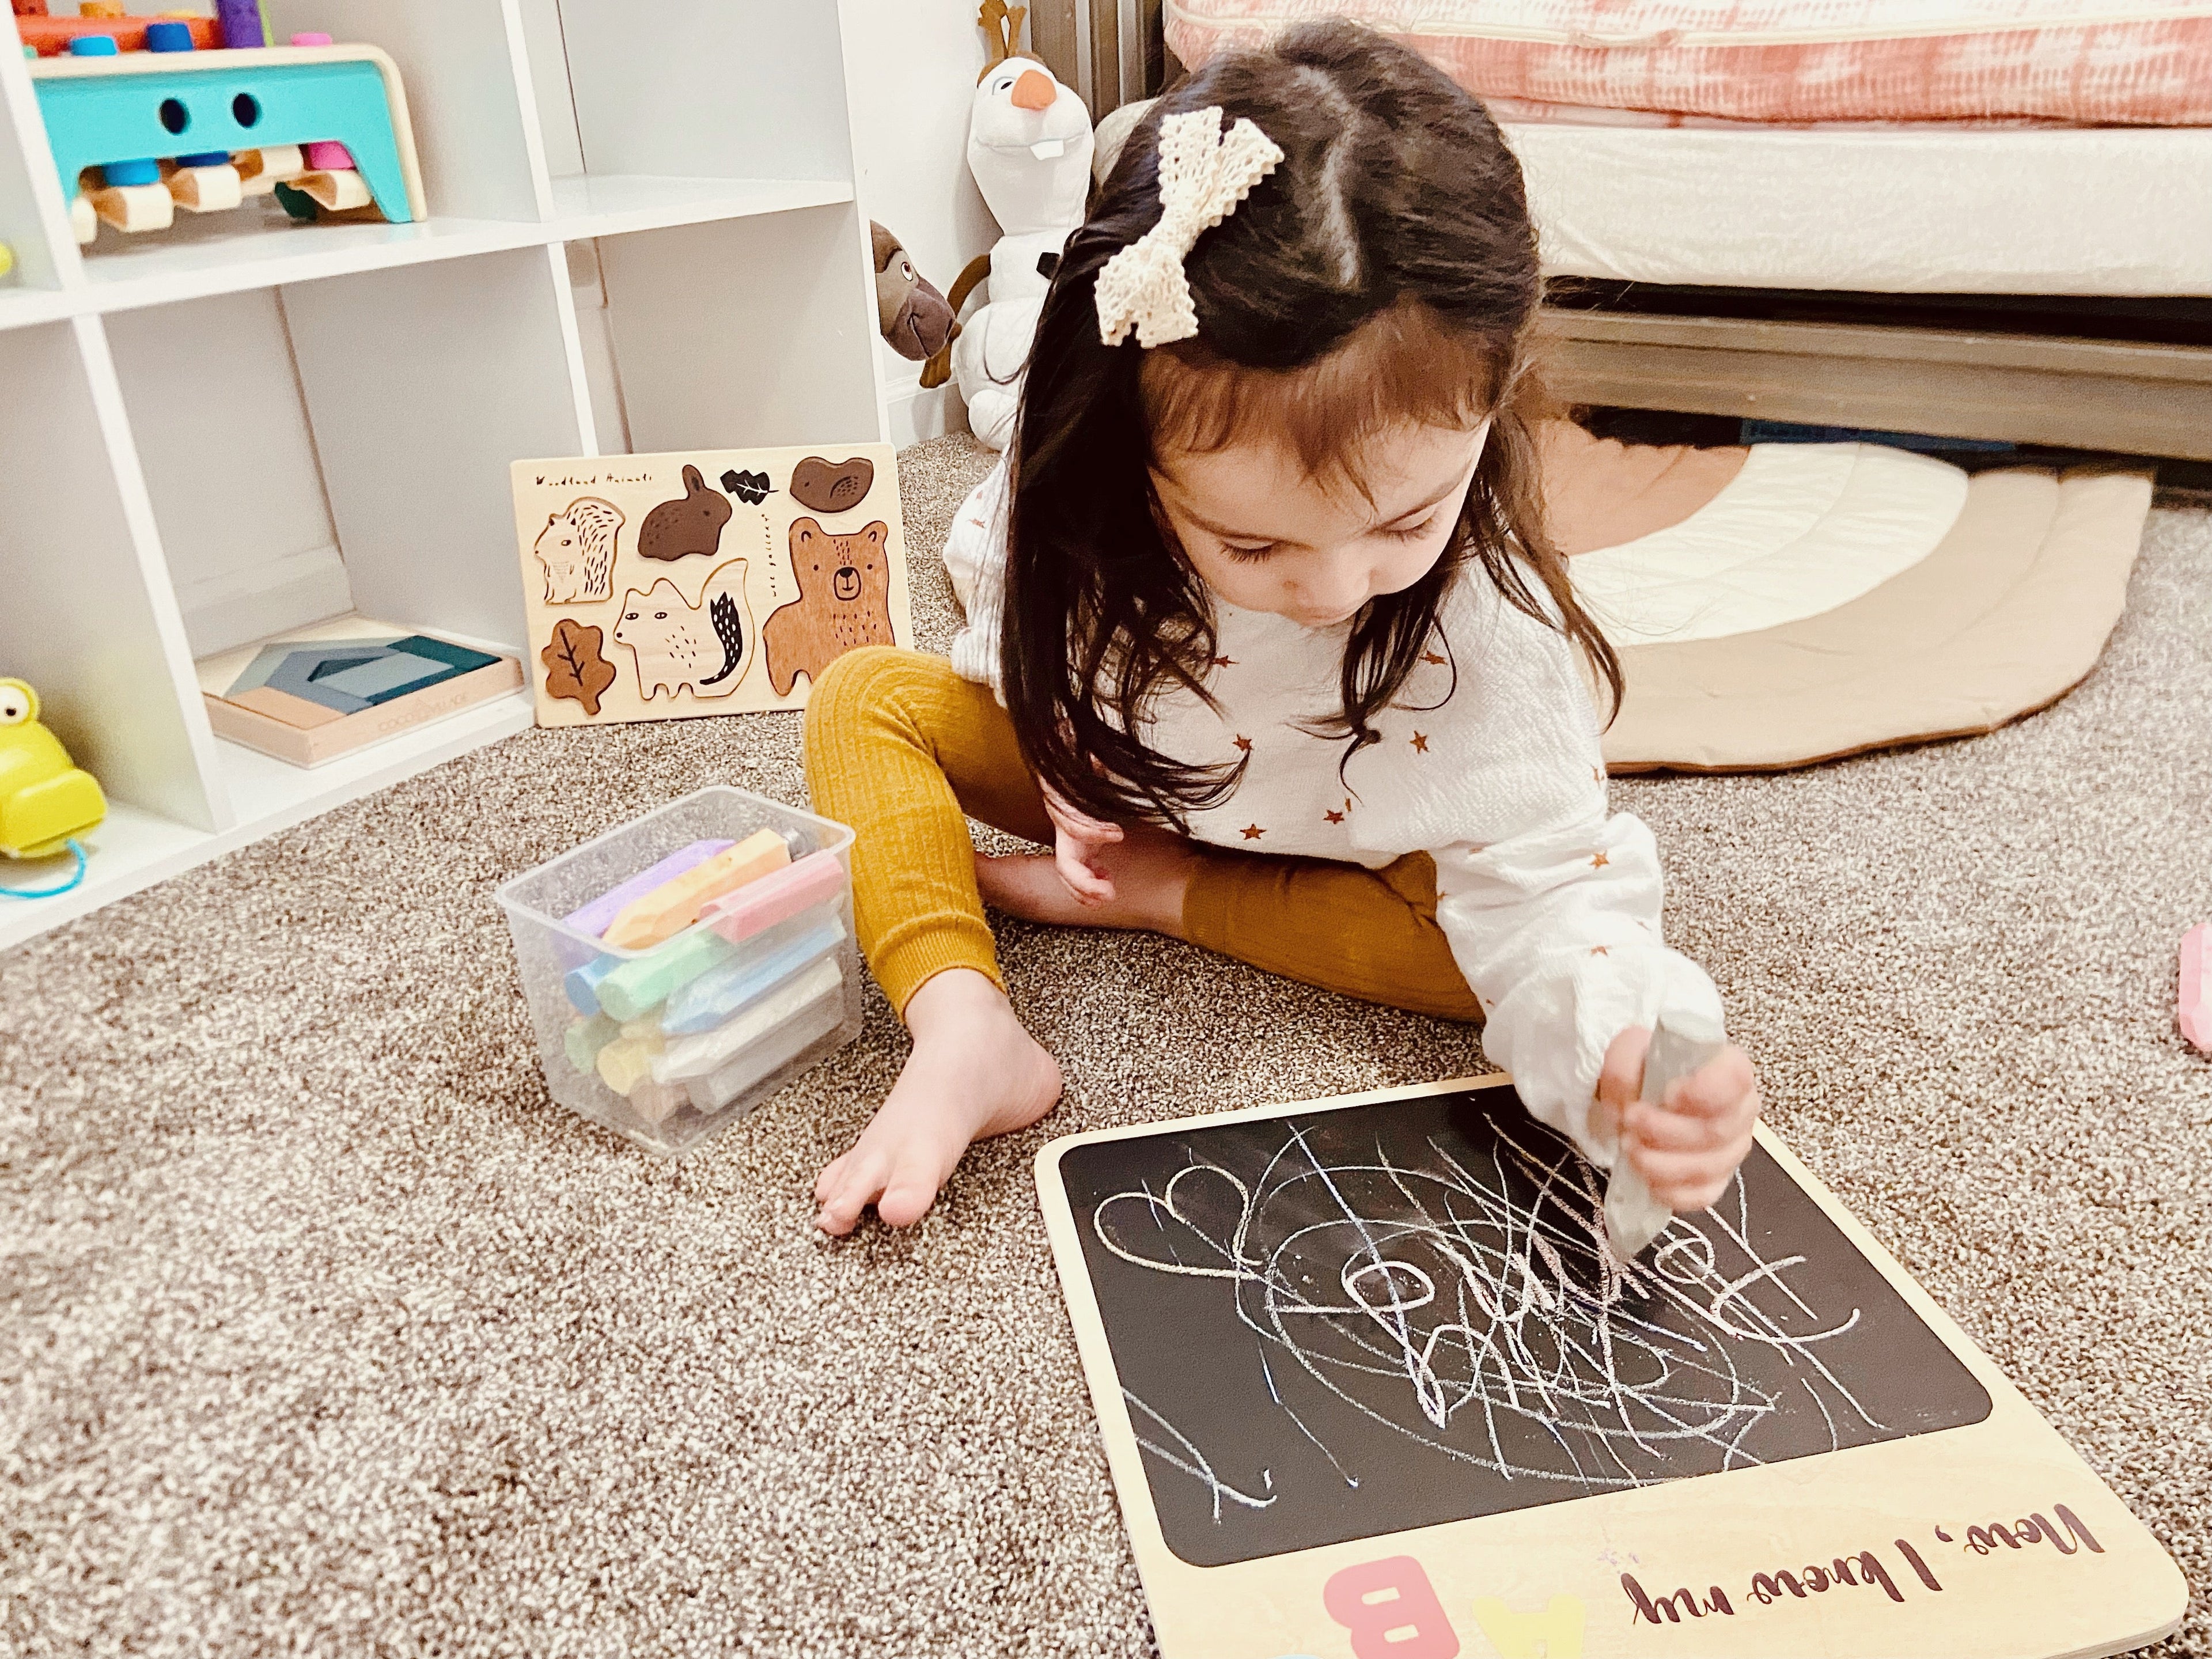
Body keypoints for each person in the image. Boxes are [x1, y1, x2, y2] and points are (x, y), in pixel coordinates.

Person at [804, 18, 1759, 1236]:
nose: (1333, 589)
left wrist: (1622, 1054)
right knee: (862, 700)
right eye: (1251, 545)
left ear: (1496, 397)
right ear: (1131, 452)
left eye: (1407, 519)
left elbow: (1548, 898)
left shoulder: (1490, 632)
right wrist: (1052, 750)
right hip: (1127, 778)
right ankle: (967, 1028)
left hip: (1343, 837)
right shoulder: (1081, 481)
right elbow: (994, 582)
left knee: (1485, 951)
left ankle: (1162, 894)